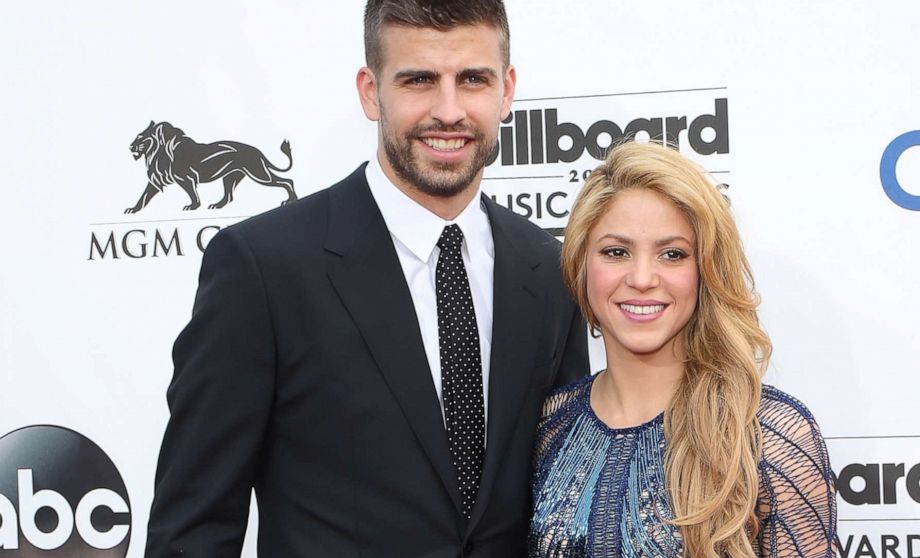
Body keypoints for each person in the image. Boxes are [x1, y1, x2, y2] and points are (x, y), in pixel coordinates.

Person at [145, 1, 589, 556]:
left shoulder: (550, 269)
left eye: (472, 79)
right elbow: (193, 528)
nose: (448, 111)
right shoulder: (263, 268)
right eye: (419, 80)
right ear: (369, 90)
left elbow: (569, 491)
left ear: (506, 91)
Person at [529, 141, 836, 557]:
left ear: (704, 270)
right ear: (582, 266)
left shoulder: (766, 433)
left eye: (672, 254)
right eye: (616, 252)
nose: (641, 278)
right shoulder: (548, 426)